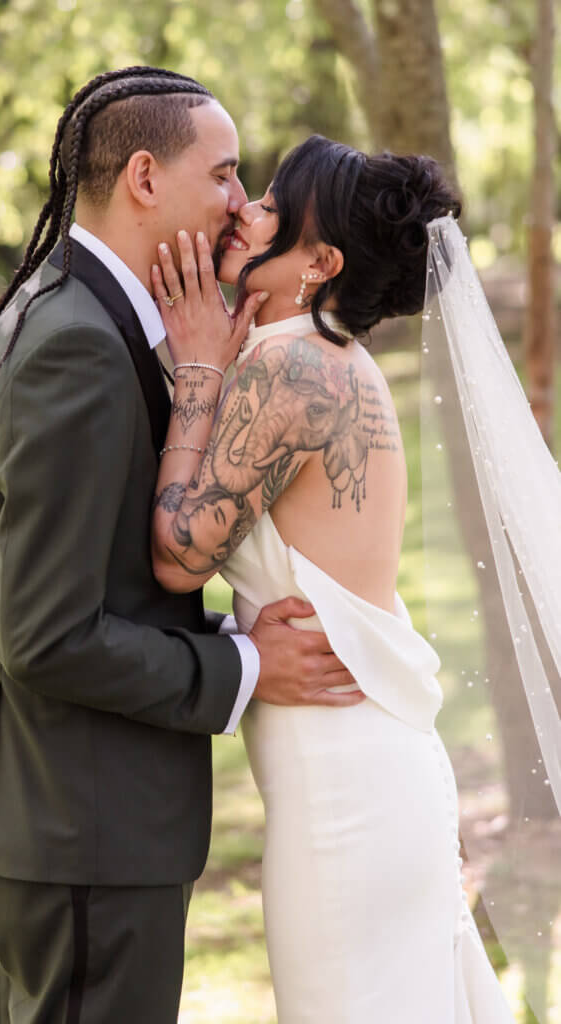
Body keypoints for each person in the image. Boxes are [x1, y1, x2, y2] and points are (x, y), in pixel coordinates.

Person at [0, 73, 364, 1024]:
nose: (240, 204)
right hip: (83, 819)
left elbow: (93, 578)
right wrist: (246, 666)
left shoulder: (62, 310)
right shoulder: (78, 345)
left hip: (59, 814)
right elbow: (45, 635)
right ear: (145, 178)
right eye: (224, 174)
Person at [150, 134, 519, 1021]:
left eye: (272, 208)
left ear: (319, 263)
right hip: (370, 766)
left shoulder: (292, 368)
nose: (245, 211)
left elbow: (176, 554)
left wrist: (197, 371)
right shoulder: (327, 359)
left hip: (340, 792)